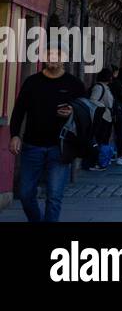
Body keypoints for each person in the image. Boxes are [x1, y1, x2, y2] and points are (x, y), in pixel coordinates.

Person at [9, 47, 85, 222]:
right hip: (32, 145)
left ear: (64, 58)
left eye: (57, 55)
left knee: (54, 196)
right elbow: (19, 110)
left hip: (60, 148)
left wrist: (73, 110)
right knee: (25, 194)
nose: (52, 58)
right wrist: (14, 135)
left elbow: (85, 111)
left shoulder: (74, 84)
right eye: (49, 54)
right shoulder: (32, 82)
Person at [84, 68, 116, 171]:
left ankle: (102, 160)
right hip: (101, 118)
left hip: (106, 117)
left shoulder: (106, 87)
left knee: (103, 140)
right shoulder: (99, 87)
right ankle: (96, 162)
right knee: (99, 140)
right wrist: (103, 108)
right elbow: (92, 100)